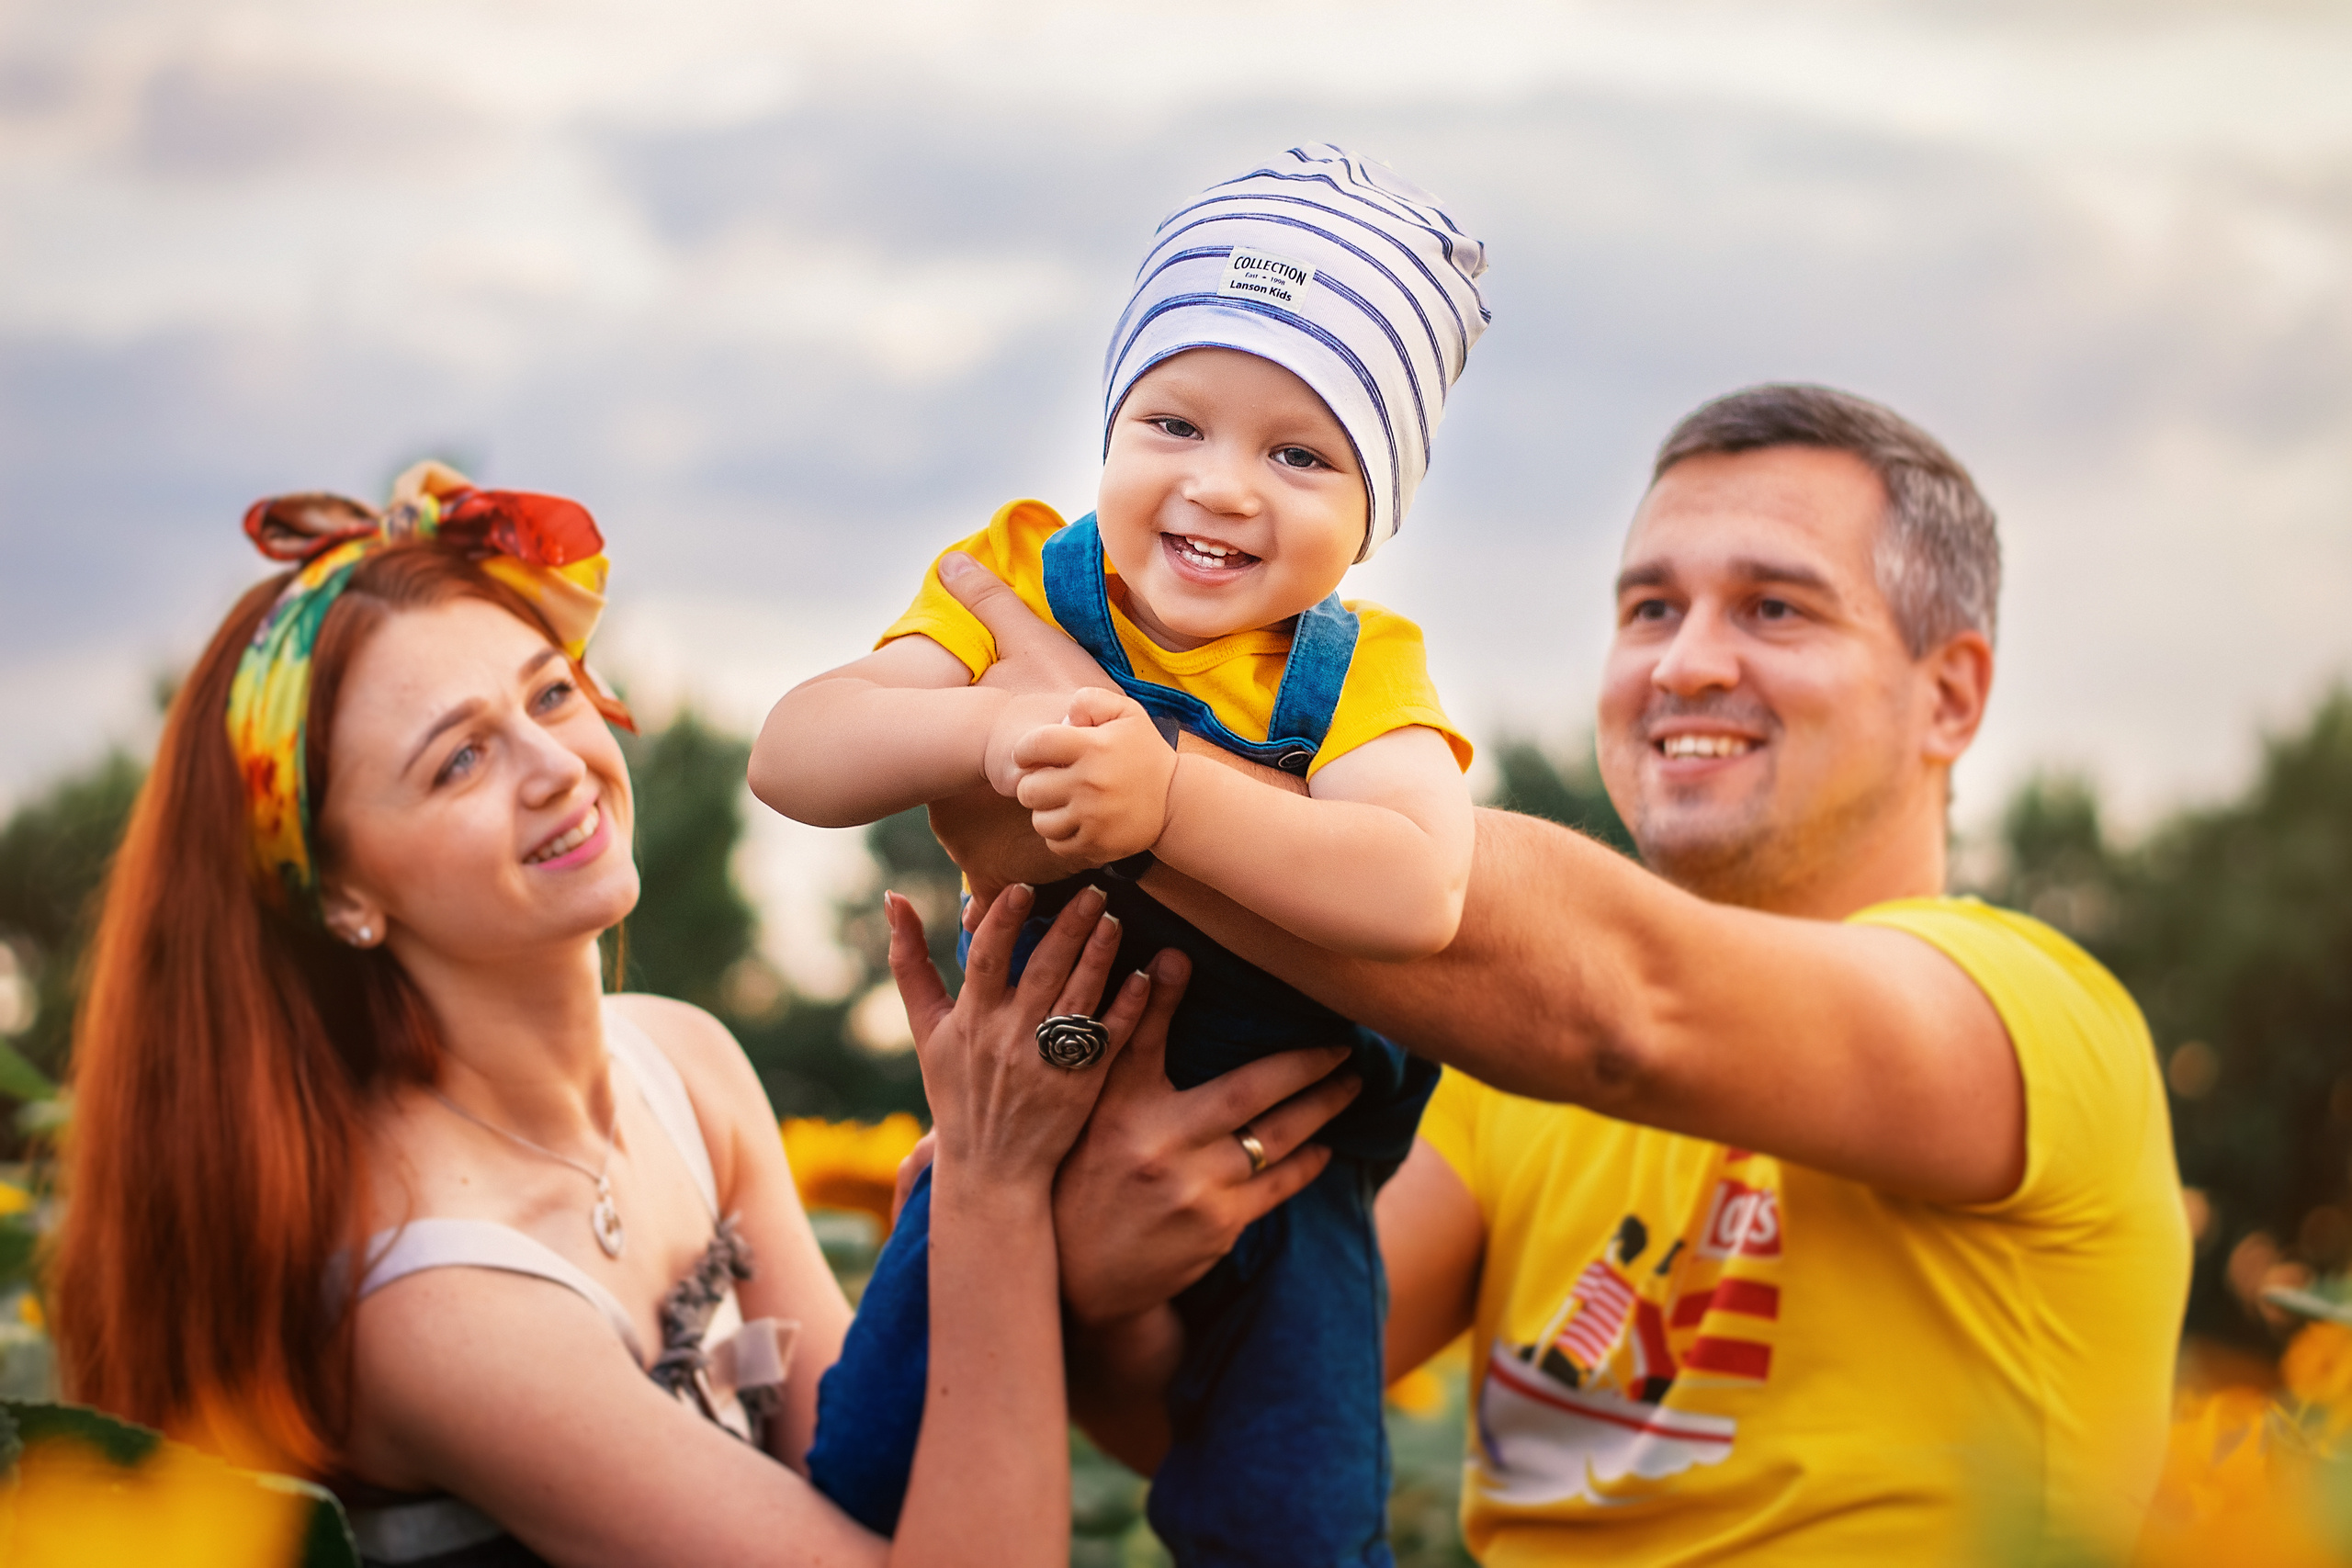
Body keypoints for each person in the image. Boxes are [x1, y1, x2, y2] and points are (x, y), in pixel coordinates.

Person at [923, 385, 2194, 1564]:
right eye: (1649, 608)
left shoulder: (2035, 1019)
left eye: (1776, 608)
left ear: (1952, 696)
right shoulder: (1499, 1083)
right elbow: (1217, 1422)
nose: (1685, 662)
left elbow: (1625, 1007)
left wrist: (1105, 754)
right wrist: (1106, 1286)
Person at [47, 460, 1295, 1568]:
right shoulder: (431, 1303)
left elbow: (866, 1469)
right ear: (343, 893)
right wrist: (989, 1185)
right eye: (457, 761)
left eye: (548, 695)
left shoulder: (684, 1066)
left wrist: (1040, 1226)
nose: (555, 767)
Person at [749, 145, 1488, 1565]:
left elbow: (1418, 886)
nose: (1221, 487)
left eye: (1299, 453)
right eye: (1174, 423)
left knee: (1298, 1520)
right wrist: (984, 727)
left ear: (1372, 509)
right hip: (1012, 1122)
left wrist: (1167, 803)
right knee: (870, 1460)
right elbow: (794, 755)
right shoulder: (1020, 577)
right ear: (1109, 425)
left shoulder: (1357, 672)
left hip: (1286, 1164)